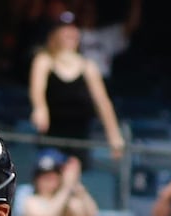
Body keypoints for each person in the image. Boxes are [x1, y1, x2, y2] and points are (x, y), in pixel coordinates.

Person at [27, 12, 124, 168]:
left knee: (74, 177)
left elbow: (103, 103)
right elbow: (37, 90)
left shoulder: (88, 66)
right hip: (51, 138)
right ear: (55, 33)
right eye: (65, 29)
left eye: (74, 29)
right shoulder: (44, 60)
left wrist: (114, 136)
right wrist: (40, 108)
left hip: (79, 139)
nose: (70, 33)